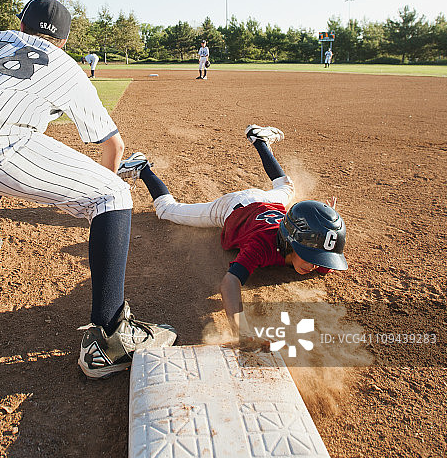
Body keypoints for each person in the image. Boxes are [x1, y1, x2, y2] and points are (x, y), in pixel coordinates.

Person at [0, 0, 176, 379]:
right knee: (113, 194)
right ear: (64, 41)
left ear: (22, 26)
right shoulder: (66, 67)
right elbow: (113, 146)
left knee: (8, 151)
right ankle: (110, 338)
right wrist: (99, 208)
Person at [116, 126, 347, 338]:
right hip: (231, 208)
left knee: (286, 187)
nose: (315, 266)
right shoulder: (261, 243)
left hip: (268, 202)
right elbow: (230, 283)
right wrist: (241, 332)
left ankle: (259, 140)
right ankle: (142, 168)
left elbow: (324, 251)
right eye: (311, 256)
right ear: (290, 240)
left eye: (318, 259)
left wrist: (322, 224)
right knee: (168, 211)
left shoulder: (314, 255)